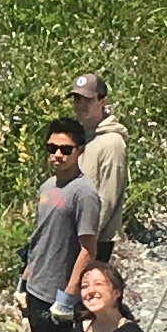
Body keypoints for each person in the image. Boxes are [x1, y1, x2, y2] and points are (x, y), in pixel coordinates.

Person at [19, 120, 93, 332]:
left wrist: (69, 296)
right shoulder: (47, 187)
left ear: (79, 150)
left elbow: (88, 248)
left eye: (66, 149)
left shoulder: (84, 193)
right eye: (52, 148)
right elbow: (42, 233)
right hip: (37, 287)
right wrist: (27, 273)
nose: (58, 155)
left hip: (58, 295)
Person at [67, 74, 128, 260]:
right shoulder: (80, 135)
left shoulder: (112, 142)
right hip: (71, 234)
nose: (81, 104)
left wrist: (87, 237)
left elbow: (108, 197)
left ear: (103, 100)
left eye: (88, 99)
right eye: (77, 99)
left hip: (94, 240)